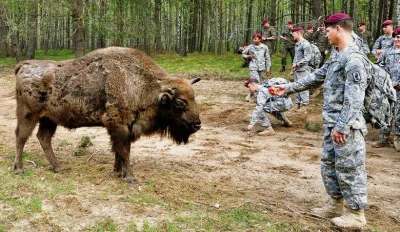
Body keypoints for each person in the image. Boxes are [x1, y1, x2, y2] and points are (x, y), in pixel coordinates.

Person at [271, 13, 371, 228]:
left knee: (349, 168)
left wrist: (342, 126)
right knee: (329, 164)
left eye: (327, 31)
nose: (325, 35)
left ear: (338, 29)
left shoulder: (354, 59)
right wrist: (287, 88)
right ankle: (335, 204)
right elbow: (317, 76)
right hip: (332, 122)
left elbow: (355, 99)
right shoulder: (337, 54)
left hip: (347, 126)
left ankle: (356, 213)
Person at [372, 27, 400, 150]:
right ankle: (384, 137)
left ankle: (397, 138)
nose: (396, 39)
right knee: (386, 113)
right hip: (388, 89)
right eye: (395, 37)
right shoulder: (387, 52)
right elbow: (379, 67)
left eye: (398, 37)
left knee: (399, 114)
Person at [242, 33, 271, 101]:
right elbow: (243, 53)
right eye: (253, 39)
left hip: (261, 67)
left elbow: (267, 58)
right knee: (255, 82)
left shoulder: (264, 47)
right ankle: (258, 98)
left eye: (255, 39)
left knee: (261, 82)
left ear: (260, 39)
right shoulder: (250, 46)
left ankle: (250, 95)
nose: (254, 40)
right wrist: (248, 56)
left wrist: (268, 69)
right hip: (253, 67)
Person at [291, 26, 312, 112]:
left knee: (303, 87)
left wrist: (297, 64)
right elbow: (296, 57)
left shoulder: (305, 44)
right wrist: (293, 68)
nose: (293, 35)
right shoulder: (297, 44)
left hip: (303, 70)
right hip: (297, 70)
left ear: (299, 33)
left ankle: (304, 105)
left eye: (294, 34)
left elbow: (307, 57)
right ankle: (297, 103)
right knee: (296, 87)